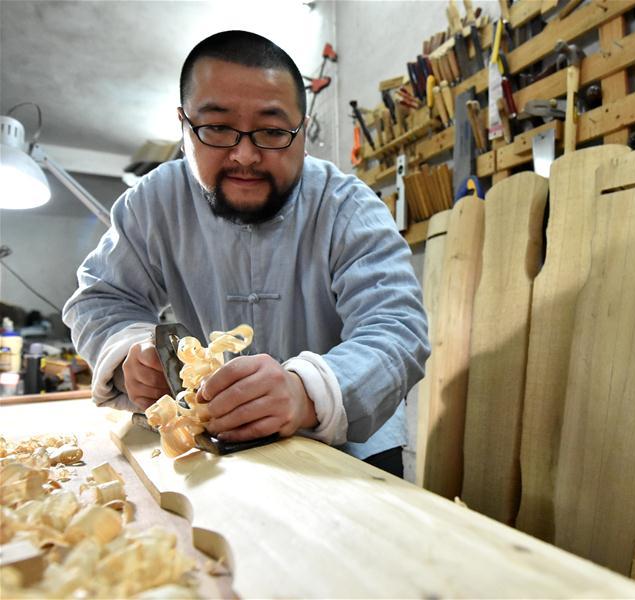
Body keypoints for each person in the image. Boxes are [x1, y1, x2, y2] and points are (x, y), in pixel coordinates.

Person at [62, 30, 430, 477]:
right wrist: (126, 359)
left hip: (352, 451)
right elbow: (101, 299)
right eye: (216, 128)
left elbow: (397, 330)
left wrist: (306, 392)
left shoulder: (348, 206)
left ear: (302, 128)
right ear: (183, 125)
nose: (245, 156)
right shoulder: (153, 202)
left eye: (273, 131)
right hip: (209, 451)